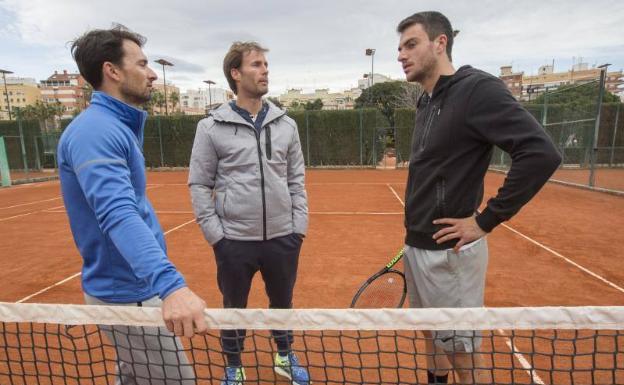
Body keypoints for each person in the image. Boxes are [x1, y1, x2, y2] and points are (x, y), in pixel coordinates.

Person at [396, 11, 561, 384]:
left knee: (462, 354)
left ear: (441, 43)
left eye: (411, 44)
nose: (401, 55)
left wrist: (485, 220)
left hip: (450, 255)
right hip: (418, 246)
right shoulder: (426, 100)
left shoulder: (476, 90)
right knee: (431, 337)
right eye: (400, 48)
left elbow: (541, 153)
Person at [57, 25, 207, 385]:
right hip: (127, 296)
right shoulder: (96, 132)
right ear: (112, 71)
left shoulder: (116, 126)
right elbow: (118, 214)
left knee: (134, 376)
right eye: (142, 64)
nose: (153, 73)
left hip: (132, 290)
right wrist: (171, 286)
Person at [188, 41, 309, 385]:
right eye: (256, 64)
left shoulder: (286, 125)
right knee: (233, 309)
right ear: (236, 73)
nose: (265, 70)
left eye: (266, 64)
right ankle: (233, 366)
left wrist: (297, 227)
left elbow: (296, 178)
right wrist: (217, 237)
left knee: (282, 304)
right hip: (234, 242)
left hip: (283, 238)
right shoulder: (210, 127)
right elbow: (198, 184)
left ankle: (284, 356)